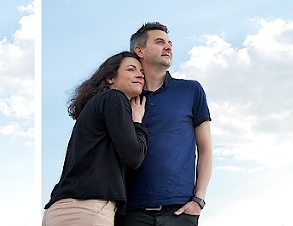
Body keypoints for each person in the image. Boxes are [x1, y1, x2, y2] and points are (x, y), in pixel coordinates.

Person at [120, 22, 213, 226]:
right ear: (139, 50)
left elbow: (205, 149)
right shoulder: (122, 98)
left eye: (170, 43)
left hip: (180, 211)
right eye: (160, 42)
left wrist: (198, 200)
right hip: (131, 212)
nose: (169, 47)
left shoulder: (191, 91)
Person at [43, 51, 149, 226]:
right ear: (110, 78)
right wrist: (138, 123)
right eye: (131, 69)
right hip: (87, 209)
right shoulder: (114, 97)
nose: (140, 74)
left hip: (60, 210)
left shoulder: (95, 107)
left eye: (141, 72)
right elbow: (134, 156)